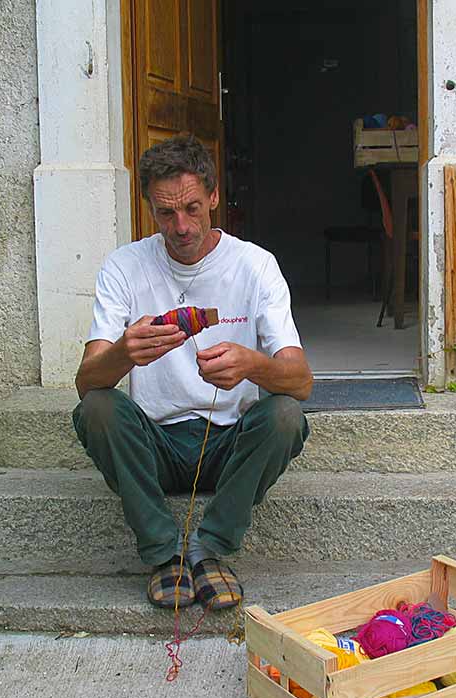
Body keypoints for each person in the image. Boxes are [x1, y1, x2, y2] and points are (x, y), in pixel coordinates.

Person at [73, 135, 313, 610]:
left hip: (227, 444)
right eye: (166, 213)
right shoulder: (124, 266)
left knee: (284, 416)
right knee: (98, 408)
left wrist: (254, 365)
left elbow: (301, 382)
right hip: (156, 445)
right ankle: (165, 556)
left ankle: (209, 549)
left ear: (215, 197)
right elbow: (87, 384)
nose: (181, 226)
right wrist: (124, 352)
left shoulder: (255, 265)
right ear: (149, 209)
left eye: (192, 208)